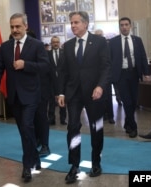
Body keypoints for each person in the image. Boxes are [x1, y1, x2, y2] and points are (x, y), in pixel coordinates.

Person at [0, 13, 49, 182]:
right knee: (24, 130)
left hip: (31, 95)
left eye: (18, 26)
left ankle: (27, 166)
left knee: (26, 126)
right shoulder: (5, 46)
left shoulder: (36, 45)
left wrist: (26, 65)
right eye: (12, 27)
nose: (14, 30)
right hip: (14, 97)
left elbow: (45, 66)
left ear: (25, 26)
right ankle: (36, 159)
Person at [57, 11, 110, 184]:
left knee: (96, 128)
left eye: (76, 22)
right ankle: (74, 166)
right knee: (73, 128)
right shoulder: (68, 45)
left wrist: (100, 86)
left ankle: (96, 162)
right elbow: (62, 72)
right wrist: (62, 93)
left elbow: (106, 67)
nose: (72, 26)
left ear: (86, 24)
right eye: (71, 23)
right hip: (74, 94)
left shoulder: (100, 42)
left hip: (95, 93)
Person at [108, 17, 150, 138]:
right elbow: (109, 60)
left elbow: (142, 56)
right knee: (127, 101)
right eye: (122, 25)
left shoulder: (137, 40)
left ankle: (127, 124)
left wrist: (146, 72)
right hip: (121, 75)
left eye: (126, 24)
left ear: (130, 26)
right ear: (119, 27)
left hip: (134, 74)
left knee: (134, 101)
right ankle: (133, 127)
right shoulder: (113, 41)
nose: (124, 27)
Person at [94, 29, 115, 124]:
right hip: (96, 77)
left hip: (106, 75)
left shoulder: (108, 44)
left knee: (108, 97)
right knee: (99, 98)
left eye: (100, 35)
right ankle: (102, 115)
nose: (99, 36)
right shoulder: (92, 45)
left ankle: (110, 116)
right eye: (97, 35)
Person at [47, 36, 67, 125]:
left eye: (57, 42)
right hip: (51, 81)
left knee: (62, 100)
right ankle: (51, 119)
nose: (55, 44)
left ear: (59, 43)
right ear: (51, 43)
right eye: (54, 42)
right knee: (51, 101)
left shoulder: (64, 53)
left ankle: (63, 119)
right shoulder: (47, 54)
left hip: (62, 81)